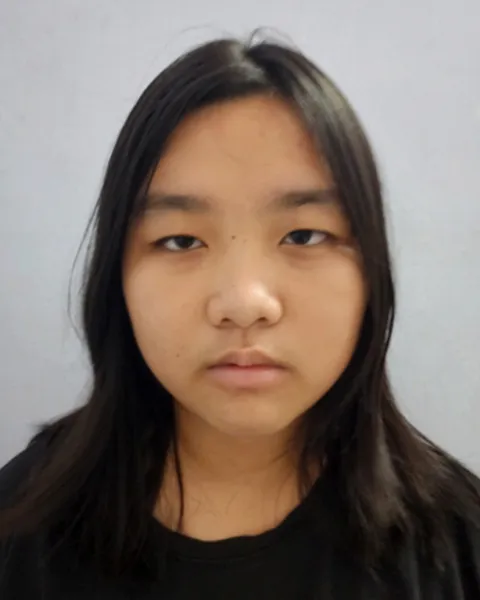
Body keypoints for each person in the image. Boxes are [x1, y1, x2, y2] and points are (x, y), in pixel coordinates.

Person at [0, 33, 479, 600]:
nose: (244, 303)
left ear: (370, 274)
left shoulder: (458, 545)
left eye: (304, 235)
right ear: (116, 280)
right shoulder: (22, 527)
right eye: (181, 241)